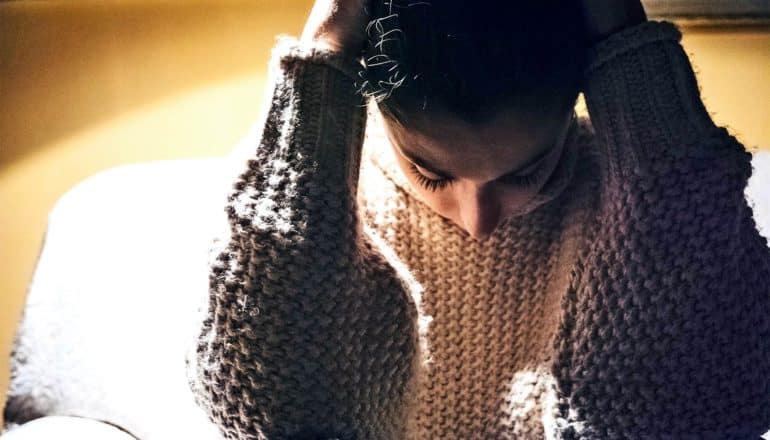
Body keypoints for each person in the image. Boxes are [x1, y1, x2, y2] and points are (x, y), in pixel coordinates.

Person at [186, 0, 770, 439]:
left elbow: (706, 411)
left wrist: (627, 36)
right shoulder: (306, 199)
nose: (478, 221)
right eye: (432, 174)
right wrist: (323, 55)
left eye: (526, 173)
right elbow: (265, 417)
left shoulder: (648, 204)